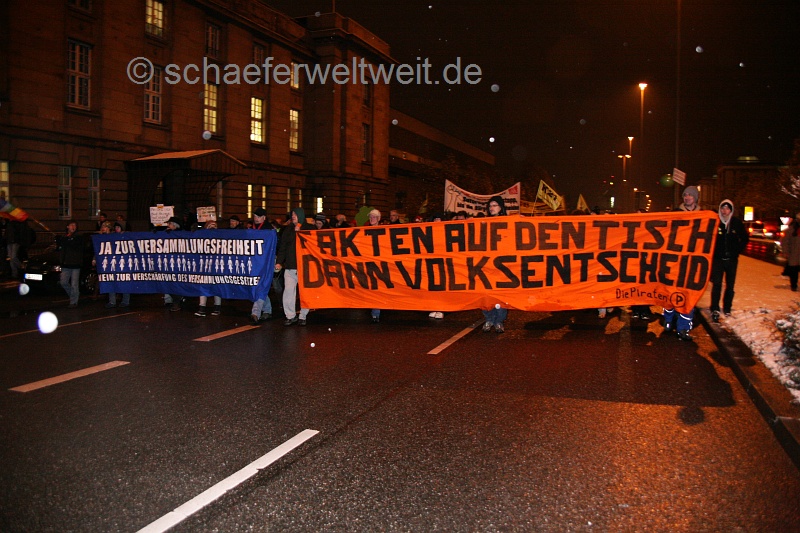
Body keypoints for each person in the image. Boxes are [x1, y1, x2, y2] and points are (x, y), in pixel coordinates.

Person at [662, 185, 701, 341]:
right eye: (685, 195)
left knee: (688, 295)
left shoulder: (703, 216)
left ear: (695, 198)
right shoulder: (676, 214)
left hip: (692, 262)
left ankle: (683, 328)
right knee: (670, 292)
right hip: (675, 260)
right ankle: (668, 319)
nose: (687, 197)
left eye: (690, 195)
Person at [709, 199, 749, 322]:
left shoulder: (736, 223)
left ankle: (727, 308)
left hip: (731, 260)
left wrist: (737, 250)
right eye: (722, 208)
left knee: (730, 285)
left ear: (731, 210)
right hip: (718, 259)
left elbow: (745, 238)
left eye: (727, 208)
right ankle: (714, 307)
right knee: (717, 284)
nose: (724, 211)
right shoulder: (715, 222)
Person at [276, 207, 314, 326]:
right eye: (292, 214)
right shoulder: (288, 230)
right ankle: (290, 316)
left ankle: (303, 316)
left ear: (301, 216)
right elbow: (283, 247)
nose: (293, 216)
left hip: (305, 267)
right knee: (288, 292)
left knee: (305, 293)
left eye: (295, 214)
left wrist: (300, 233)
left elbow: (313, 244)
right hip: (290, 267)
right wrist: (279, 262)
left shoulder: (309, 228)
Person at [481, 196, 509, 333]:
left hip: (501, 264)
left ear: (501, 207)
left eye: (494, 205)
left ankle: (498, 321)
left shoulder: (507, 222)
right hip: (486, 264)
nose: (491, 208)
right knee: (485, 293)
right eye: (490, 206)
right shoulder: (484, 222)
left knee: (501, 293)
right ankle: (489, 318)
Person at [249, 207, 275, 324]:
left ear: (264, 218)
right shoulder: (251, 228)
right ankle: (267, 310)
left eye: (258, 216)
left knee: (260, 285)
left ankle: (256, 312)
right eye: (255, 216)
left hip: (265, 262)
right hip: (255, 262)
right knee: (258, 285)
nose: (256, 218)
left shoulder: (269, 230)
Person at [195, 220, 222, 317]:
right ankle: (202, 308)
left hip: (216, 266)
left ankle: (217, 308)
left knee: (217, 286)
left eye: (215, 226)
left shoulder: (220, 237)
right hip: (205, 266)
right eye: (210, 226)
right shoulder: (202, 238)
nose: (212, 228)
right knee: (203, 286)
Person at [57, 221, 84, 308]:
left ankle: (74, 302)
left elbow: (74, 245)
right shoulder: (65, 237)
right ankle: (74, 295)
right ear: (67, 226)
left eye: (75, 225)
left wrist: (67, 239)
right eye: (71, 225)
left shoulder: (78, 237)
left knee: (74, 284)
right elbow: (61, 247)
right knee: (63, 282)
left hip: (75, 264)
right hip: (66, 264)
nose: (73, 227)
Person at [106, 222, 131, 308]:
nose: (116, 229)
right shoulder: (112, 236)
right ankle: (112, 301)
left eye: (118, 227)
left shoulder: (126, 237)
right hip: (113, 263)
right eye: (115, 227)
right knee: (111, 281)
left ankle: (125, 301)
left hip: (123, 264)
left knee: (124, 282)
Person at [365, 208, 383, 323]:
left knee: (377, 287)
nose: (372, 219)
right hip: (368, 262)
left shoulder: (384, 231)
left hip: (380, 264)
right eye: (370, 217)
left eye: (374, 217)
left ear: (378, 219)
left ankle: (376, 312)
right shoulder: (364, 231)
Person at [781, 212, 800, 292]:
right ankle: (794, 285)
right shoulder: (791, 230)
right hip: (794, 253)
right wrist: (786, 251)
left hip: (795, 253)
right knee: (794, 271)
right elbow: (785, 241)